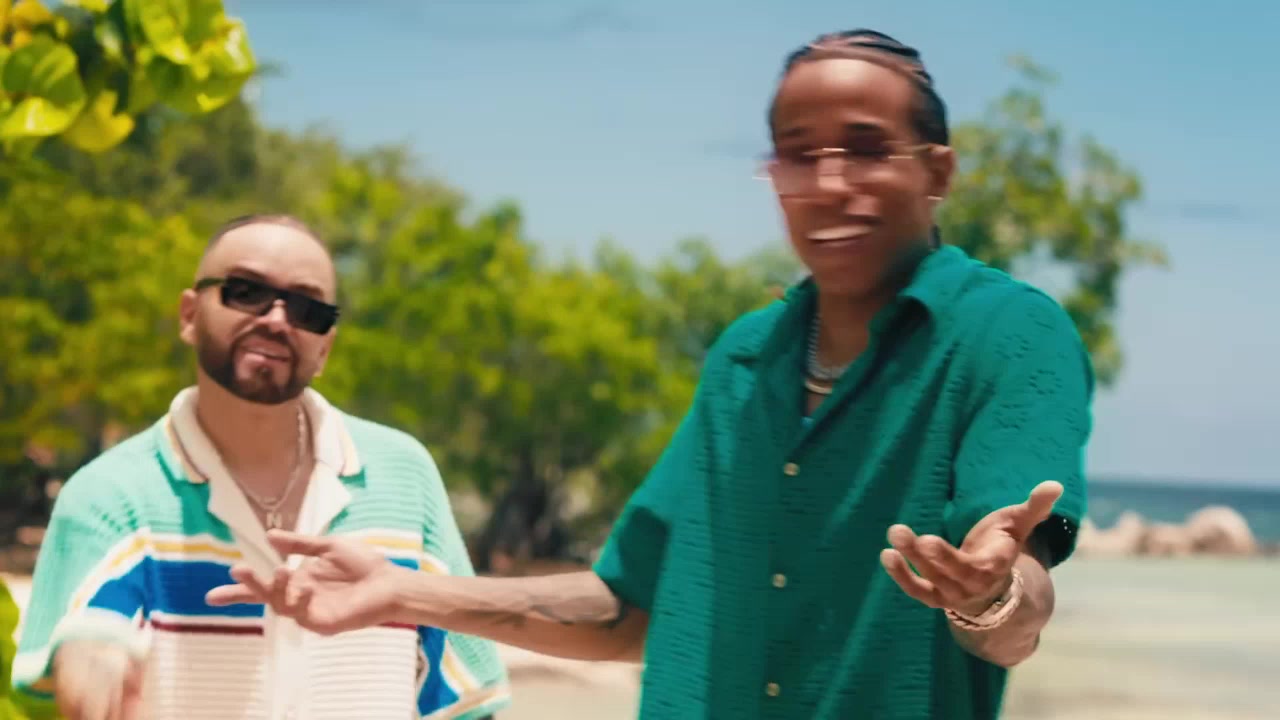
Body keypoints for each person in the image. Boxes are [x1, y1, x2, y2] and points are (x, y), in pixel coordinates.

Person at [207, 29, 1094, 720]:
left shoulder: (1008, 335)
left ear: (937, 171)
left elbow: (1018, 605)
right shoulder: (745, 359)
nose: (828, 183)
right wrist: (403, 592)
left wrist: (989, 596)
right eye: (798, 152)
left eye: (865, 148)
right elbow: (630, 607)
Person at [12, 215, 510, 720]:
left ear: (325, 347)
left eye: (307, 309)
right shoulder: (110, 493)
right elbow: (89, 639)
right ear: (189, 314)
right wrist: (90, 664)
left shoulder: (403, 475)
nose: (276, 319)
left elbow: (466, 701)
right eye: (246, 291)